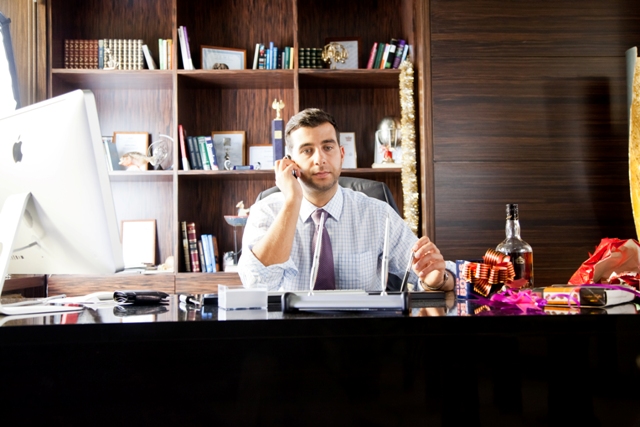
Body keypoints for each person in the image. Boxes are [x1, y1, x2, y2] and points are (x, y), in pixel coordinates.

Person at [238, 108, 454, 292]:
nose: (320, 159)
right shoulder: (266, 211)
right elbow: (257, 284)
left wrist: (438, 279)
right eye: (307, 150)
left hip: (362, 328)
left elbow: (434, 273)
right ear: (290, 163)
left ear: (341, 154)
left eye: (328, 147)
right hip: (289, 329)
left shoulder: (378, 214)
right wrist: (292, 201)